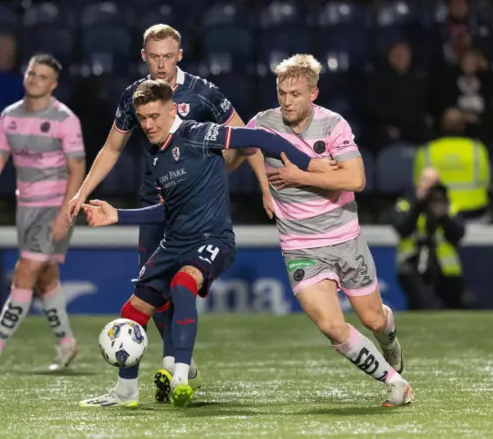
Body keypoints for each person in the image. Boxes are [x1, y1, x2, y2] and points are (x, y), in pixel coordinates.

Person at [77, 79, 333, 408]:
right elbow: (169, 210)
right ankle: (125, 393)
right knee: (132, 311)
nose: (148, 125)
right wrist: (118, 216)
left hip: (213, 239)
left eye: (155, 116)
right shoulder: (157, 156)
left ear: (172, 110)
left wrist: (309, 163)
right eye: (142, 118)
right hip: (175, 243)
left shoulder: (198, 134)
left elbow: (257, 137)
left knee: (183, 285)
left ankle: (181, 377)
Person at [66, 24, 272, 401]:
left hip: (191, 208)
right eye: (154, 57)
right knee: (151, 292)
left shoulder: (204, 92)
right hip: (153, 203)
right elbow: (112, 148)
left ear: (179, 56)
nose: (161, 64)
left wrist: (257, 183)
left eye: (168, 56)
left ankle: (175, 366)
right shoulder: (137, 97)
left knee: (181, 286)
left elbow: (245, 139)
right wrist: (82, 192)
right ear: (144, 56)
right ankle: (176, 364)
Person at [251, 54, 414, 407]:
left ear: (314, 93)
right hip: (299, 244)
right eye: (282, 93)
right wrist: (264, 185)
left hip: (344, 238)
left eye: (295, 93)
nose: (287, 100)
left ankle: (389, 341)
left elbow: (355, 179)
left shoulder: (333, 125)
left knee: (372, 318)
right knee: (330, 326)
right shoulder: (264, 123)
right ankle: (394, 381)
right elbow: (243, 150)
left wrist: (301, 176)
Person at [0, 54, 86, 371]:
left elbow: (77, 169)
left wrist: (65, 213)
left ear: (53, 84)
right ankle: (67, 344)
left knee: (25, 271)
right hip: (26, 208)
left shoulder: (65, 119)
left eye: (43, 76)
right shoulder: (9, 116)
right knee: (46, 278)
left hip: (54, 206)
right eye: (32, 73)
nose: (35, 79)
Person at [394, 168, 469, 309]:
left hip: (447, 270)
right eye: (426, 182)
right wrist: (418, 205)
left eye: (434, 183)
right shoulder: (405, 204)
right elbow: (402, 228)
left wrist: (443, 216)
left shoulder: (450, 207)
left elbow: (457, 235)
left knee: (452, 308)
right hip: (412, 265)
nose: (430, 188)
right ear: (418, 183)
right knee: (424, 303)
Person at [413, 107, 491, 222]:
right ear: (464, 126)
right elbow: (486, 182)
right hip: (473, 213)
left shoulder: (426, 151)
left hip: (439, 215)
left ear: (441, 125)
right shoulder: (478, 149)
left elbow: (419, 188)